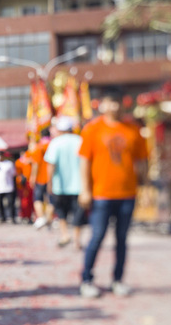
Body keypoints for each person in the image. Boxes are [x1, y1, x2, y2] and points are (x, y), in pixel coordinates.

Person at [78, 92, 147, 298]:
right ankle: (86, 280)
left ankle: (117, 280)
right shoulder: (92, 130)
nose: (114, 106)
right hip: (101, 194)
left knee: (122, 239)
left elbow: (142, 161)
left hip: (127, 193)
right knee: (97, 236)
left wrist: (143, 186)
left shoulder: (133, 130)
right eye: (110, 102)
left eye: (117, 101)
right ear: (102, 105)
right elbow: (84, 161)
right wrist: (85, 189)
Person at [43, 116, 85, 248]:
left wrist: (49, 183)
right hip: (79, 185)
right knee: (78, 212)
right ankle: (77, 240)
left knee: (62, 213)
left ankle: (65, 234)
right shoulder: (80, 141)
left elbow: (51, 165)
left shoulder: (55, 143)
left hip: (60, 185)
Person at [30, 135, 52, 229]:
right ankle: (49, 218)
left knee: (37, 199)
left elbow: (36, 164)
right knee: (49, 199)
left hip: (40, 178)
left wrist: (33, 176)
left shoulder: (38, 147)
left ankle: (41, 218)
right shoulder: (52, 145)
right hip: (51, 177)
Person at [0, 151, 18, 223]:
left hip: (8, 187)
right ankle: (2, 217)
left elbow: (13, 173)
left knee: (10, 203)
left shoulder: (9, 164)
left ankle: (12, 217)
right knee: (0, 203)